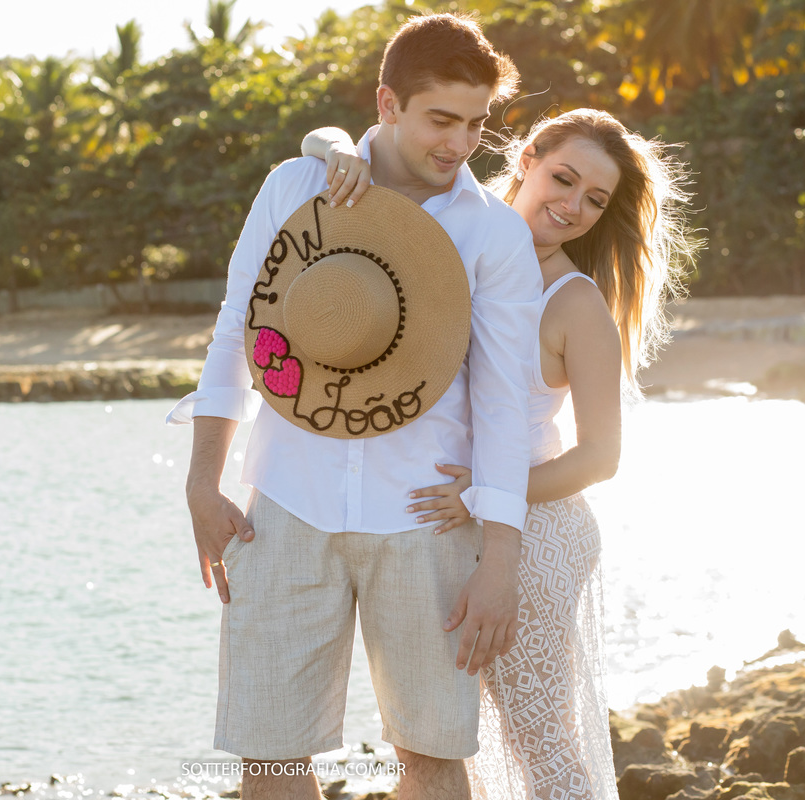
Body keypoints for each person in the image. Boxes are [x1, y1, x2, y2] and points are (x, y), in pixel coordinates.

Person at [167, 13, 544, 800]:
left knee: (434, 758)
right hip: (283, 504)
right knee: (267, 755)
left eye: (476, 123)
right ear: (387, 103)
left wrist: (500, 561)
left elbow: (509, 408)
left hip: (427, 520)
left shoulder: (494, 236)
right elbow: (237, 335)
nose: (459, 143)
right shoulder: (294, 185)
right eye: (442, 119)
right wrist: (203, 484)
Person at [302, 108, 696, 799]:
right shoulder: (453, 237)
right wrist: (335, 147)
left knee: (539, 744)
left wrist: (482, 495)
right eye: (563, 178)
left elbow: (602, 457)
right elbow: (345, 156)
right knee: (443, 746)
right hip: (436, 524)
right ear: (527, 159)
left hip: (534, 536)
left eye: (594, 200)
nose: (572, 206)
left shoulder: (576, 306)